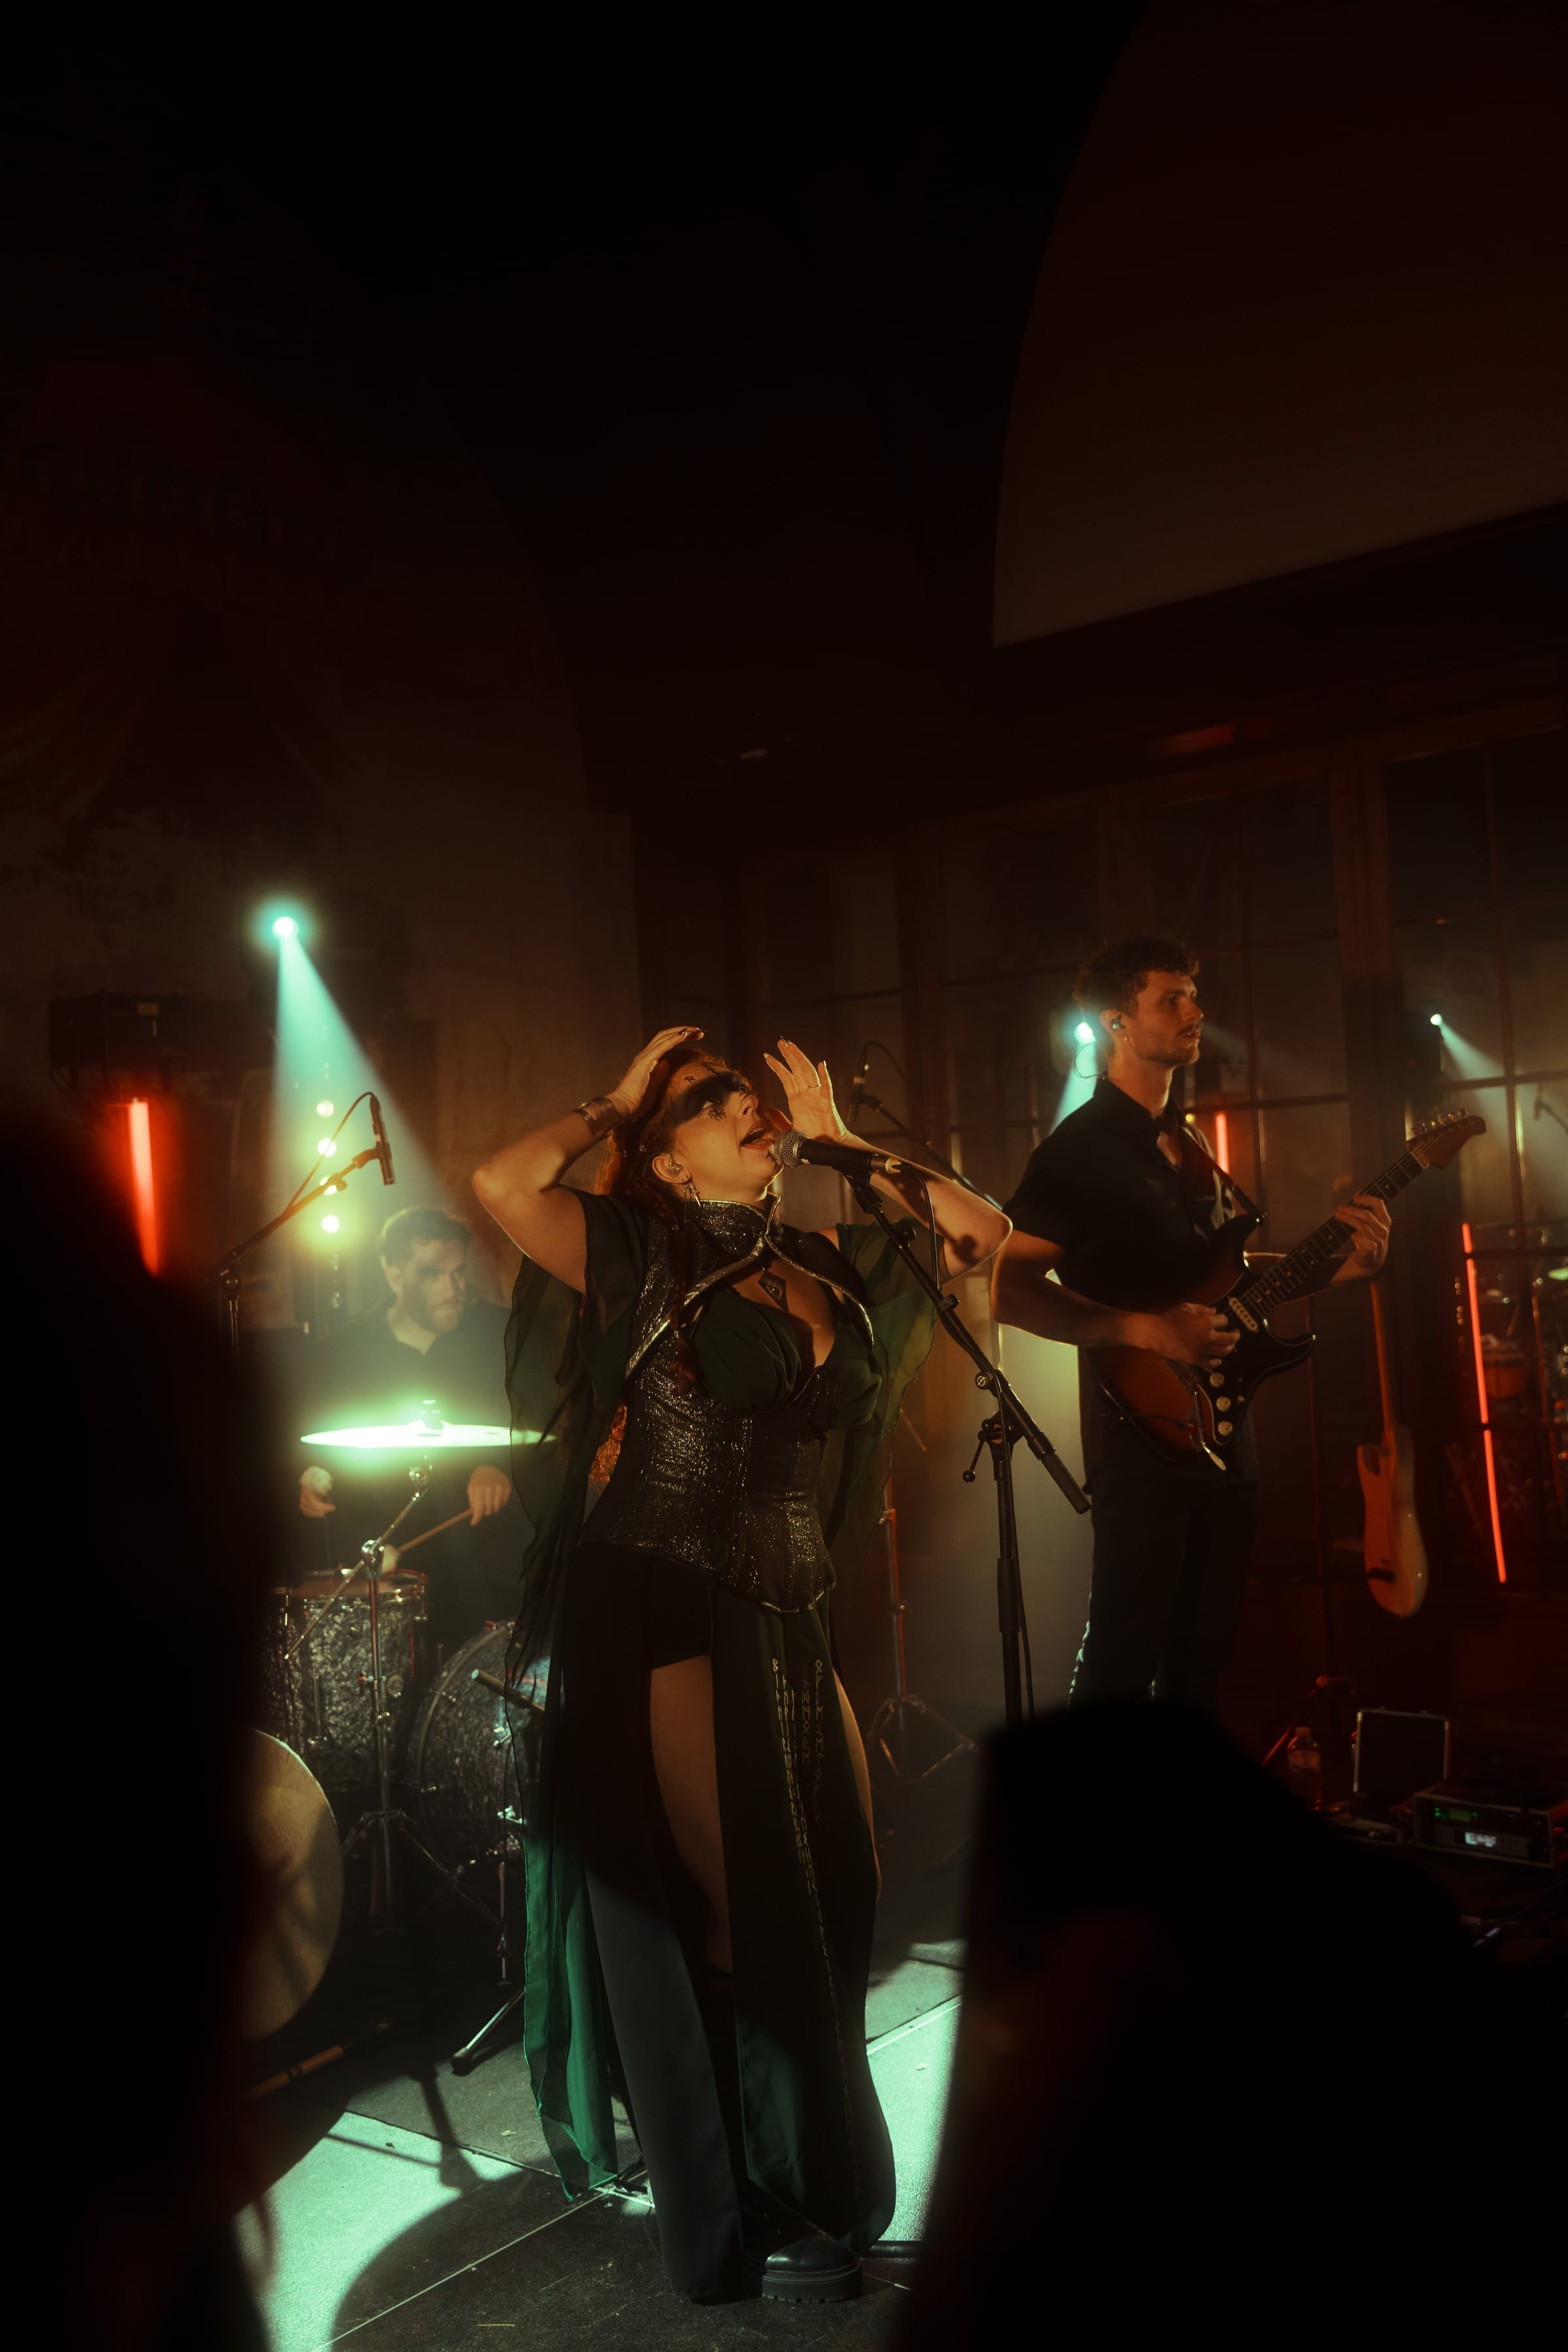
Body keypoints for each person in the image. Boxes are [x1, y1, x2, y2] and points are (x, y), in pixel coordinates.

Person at [472, 1026, 1009, 2305]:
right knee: (745, 1900)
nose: (750, 1108)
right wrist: (611, 1102)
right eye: (718, 1103)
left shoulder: (818, 1256)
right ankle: (760, 2196)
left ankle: (805, 2174)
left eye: (751, 1098)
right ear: (668, 1157)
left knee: (839, 1889)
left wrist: (843, 1143)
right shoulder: (634, 1248)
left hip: (788, 1599)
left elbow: (978, 1231)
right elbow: (503, 1184)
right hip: (662, 1592)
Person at [990, 937, 1390, 1713]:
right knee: (1122, 1657)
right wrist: (1146, 1331)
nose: (1195, 1011)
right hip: (1140, 1439)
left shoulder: (1191, 1141)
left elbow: (1230, 1274)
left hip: (1225, 1430)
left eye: (1193, 996)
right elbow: (1011, 1292)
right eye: (1171, 999)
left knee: (1204, 1659)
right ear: (1115, 1022)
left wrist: (1349, 1266)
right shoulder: (1076, 1153)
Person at [297, 1205, 517, 1648]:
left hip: (483, 1567)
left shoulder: (498, 1335)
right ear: (394, 1275)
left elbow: (546, 1424)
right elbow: (313, 1442)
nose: (453, 1289)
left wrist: (501, 1464)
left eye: (459, 1273)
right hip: (383, 1557)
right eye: (433, 1275)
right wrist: (309, 1477)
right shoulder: (345, 1351)